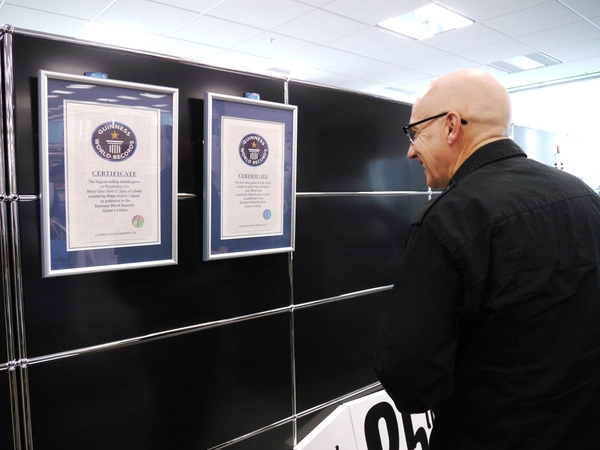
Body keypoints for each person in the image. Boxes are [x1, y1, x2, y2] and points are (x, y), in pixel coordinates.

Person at [374, 68, 600, 449]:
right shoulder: (585, 198)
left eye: (415, 133)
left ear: (451, 126)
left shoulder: (446, 222)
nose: (410, 150)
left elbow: (410, 380)